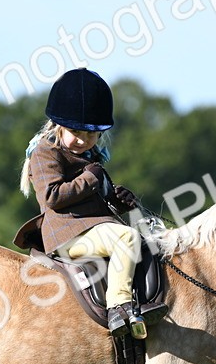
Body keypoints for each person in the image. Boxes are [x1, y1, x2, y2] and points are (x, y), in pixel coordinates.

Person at [13, 68, 150, 339]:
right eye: (75, 132)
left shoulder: (89, 156)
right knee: (127, 238)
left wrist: (120, 200)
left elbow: (94, 202)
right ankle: (119, 308)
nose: (82, 140)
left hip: (89, 229)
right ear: (58, 126)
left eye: (91, 134)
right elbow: (52, 196)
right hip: (66, 233)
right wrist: (90, 178)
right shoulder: (45, 153)